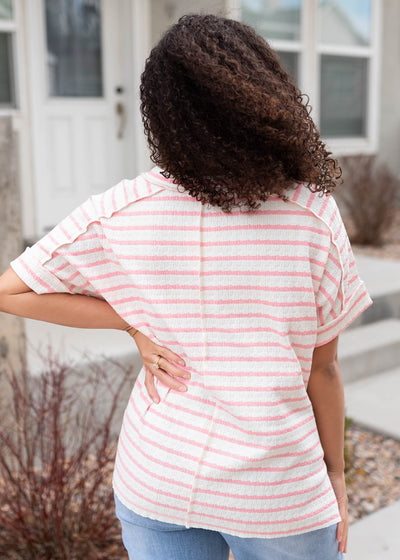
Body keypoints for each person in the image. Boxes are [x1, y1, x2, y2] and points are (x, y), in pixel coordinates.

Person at [0, 14, 372, 560]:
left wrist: (132, 319)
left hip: (158, 478)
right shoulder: (311, 216)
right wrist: (335, 474)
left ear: (165, 116)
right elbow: (323, 368)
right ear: (262, 94)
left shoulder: (123, 210)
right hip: (274, 493)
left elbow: (10, 290)